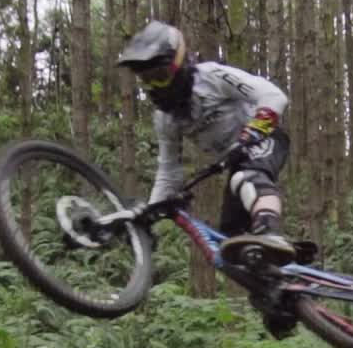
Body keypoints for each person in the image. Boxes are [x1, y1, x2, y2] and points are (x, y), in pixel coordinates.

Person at [115, 20, 296, 265]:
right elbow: (168, 173)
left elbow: (273, 95)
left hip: (265, 138)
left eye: (160, 76)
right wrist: (150, 213)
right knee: (232, 242)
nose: (154, 86)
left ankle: (270, 232)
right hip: (236, 160)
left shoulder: (211, 77)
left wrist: (252, 133)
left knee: (246, 177)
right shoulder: (165, 119)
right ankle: (282, 282)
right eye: (147, 80)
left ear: (179, 65)